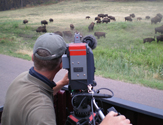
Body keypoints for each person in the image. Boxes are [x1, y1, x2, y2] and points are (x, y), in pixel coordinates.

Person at [1, 33, 131, 125]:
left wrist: (62, 83)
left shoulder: (21, 78)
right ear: (63, 64)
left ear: (32, 58)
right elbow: (38, 103)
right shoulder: (42, 111)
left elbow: (35, 96)